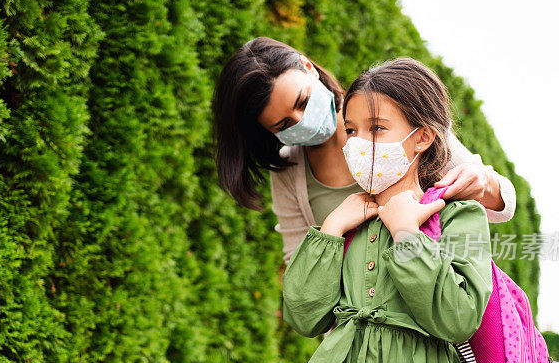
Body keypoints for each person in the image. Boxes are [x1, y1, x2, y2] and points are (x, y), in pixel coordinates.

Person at [280, 57, 492, 363]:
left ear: (422, 137)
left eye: (377, 128)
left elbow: (458, 316)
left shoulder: (458, 214)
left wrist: (407, 235)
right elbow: (304, 316)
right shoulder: (348, 221)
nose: (358, 143)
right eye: (352, 130)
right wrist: (332, 229)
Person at [212, 37, 516, 269]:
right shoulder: (290, 172)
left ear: (307, 67)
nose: (302, 120)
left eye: (303, 102)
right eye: (284, 124)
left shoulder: (387, 108)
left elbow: (503, 201)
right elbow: (302, 269)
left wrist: (483, 183)